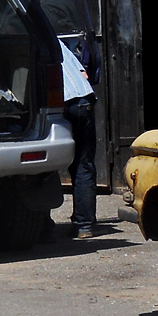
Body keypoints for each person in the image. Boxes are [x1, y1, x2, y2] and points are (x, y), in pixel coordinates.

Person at [60, 40, 97, 239]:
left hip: (60, 103)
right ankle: (84, 225)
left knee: (45, 169)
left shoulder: (28, 43)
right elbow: (85, 74)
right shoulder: (58, 43)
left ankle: (44, 227)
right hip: (83, 100)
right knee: (83, 164)